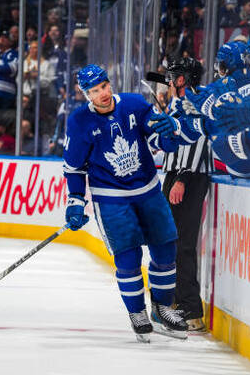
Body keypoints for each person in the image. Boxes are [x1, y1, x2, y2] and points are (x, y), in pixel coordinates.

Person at [63, 64, 189, 342]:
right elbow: (74, 168)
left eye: (104, 86)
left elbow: (159, 139)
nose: (103, 94)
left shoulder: (133, 103)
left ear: (110, 84)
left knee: (165, 250)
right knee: (129, 257)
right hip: (111, 198)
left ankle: (163, 308)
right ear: (87, 95)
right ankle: (137, 313)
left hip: (147, 190)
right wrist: (75, 201)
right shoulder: (79, 121)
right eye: (95, 91)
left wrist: (169, 135)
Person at [160, 58, 212, 332]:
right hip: (177, 173)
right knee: (171, 241)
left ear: (183, 79)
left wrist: (181, 178)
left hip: (188, 176)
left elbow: (199, 137)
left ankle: (190, 308)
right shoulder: (178, 102)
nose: (168, 79)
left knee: (183, 243)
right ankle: (179, 302)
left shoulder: (192, 100)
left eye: (173, 75)